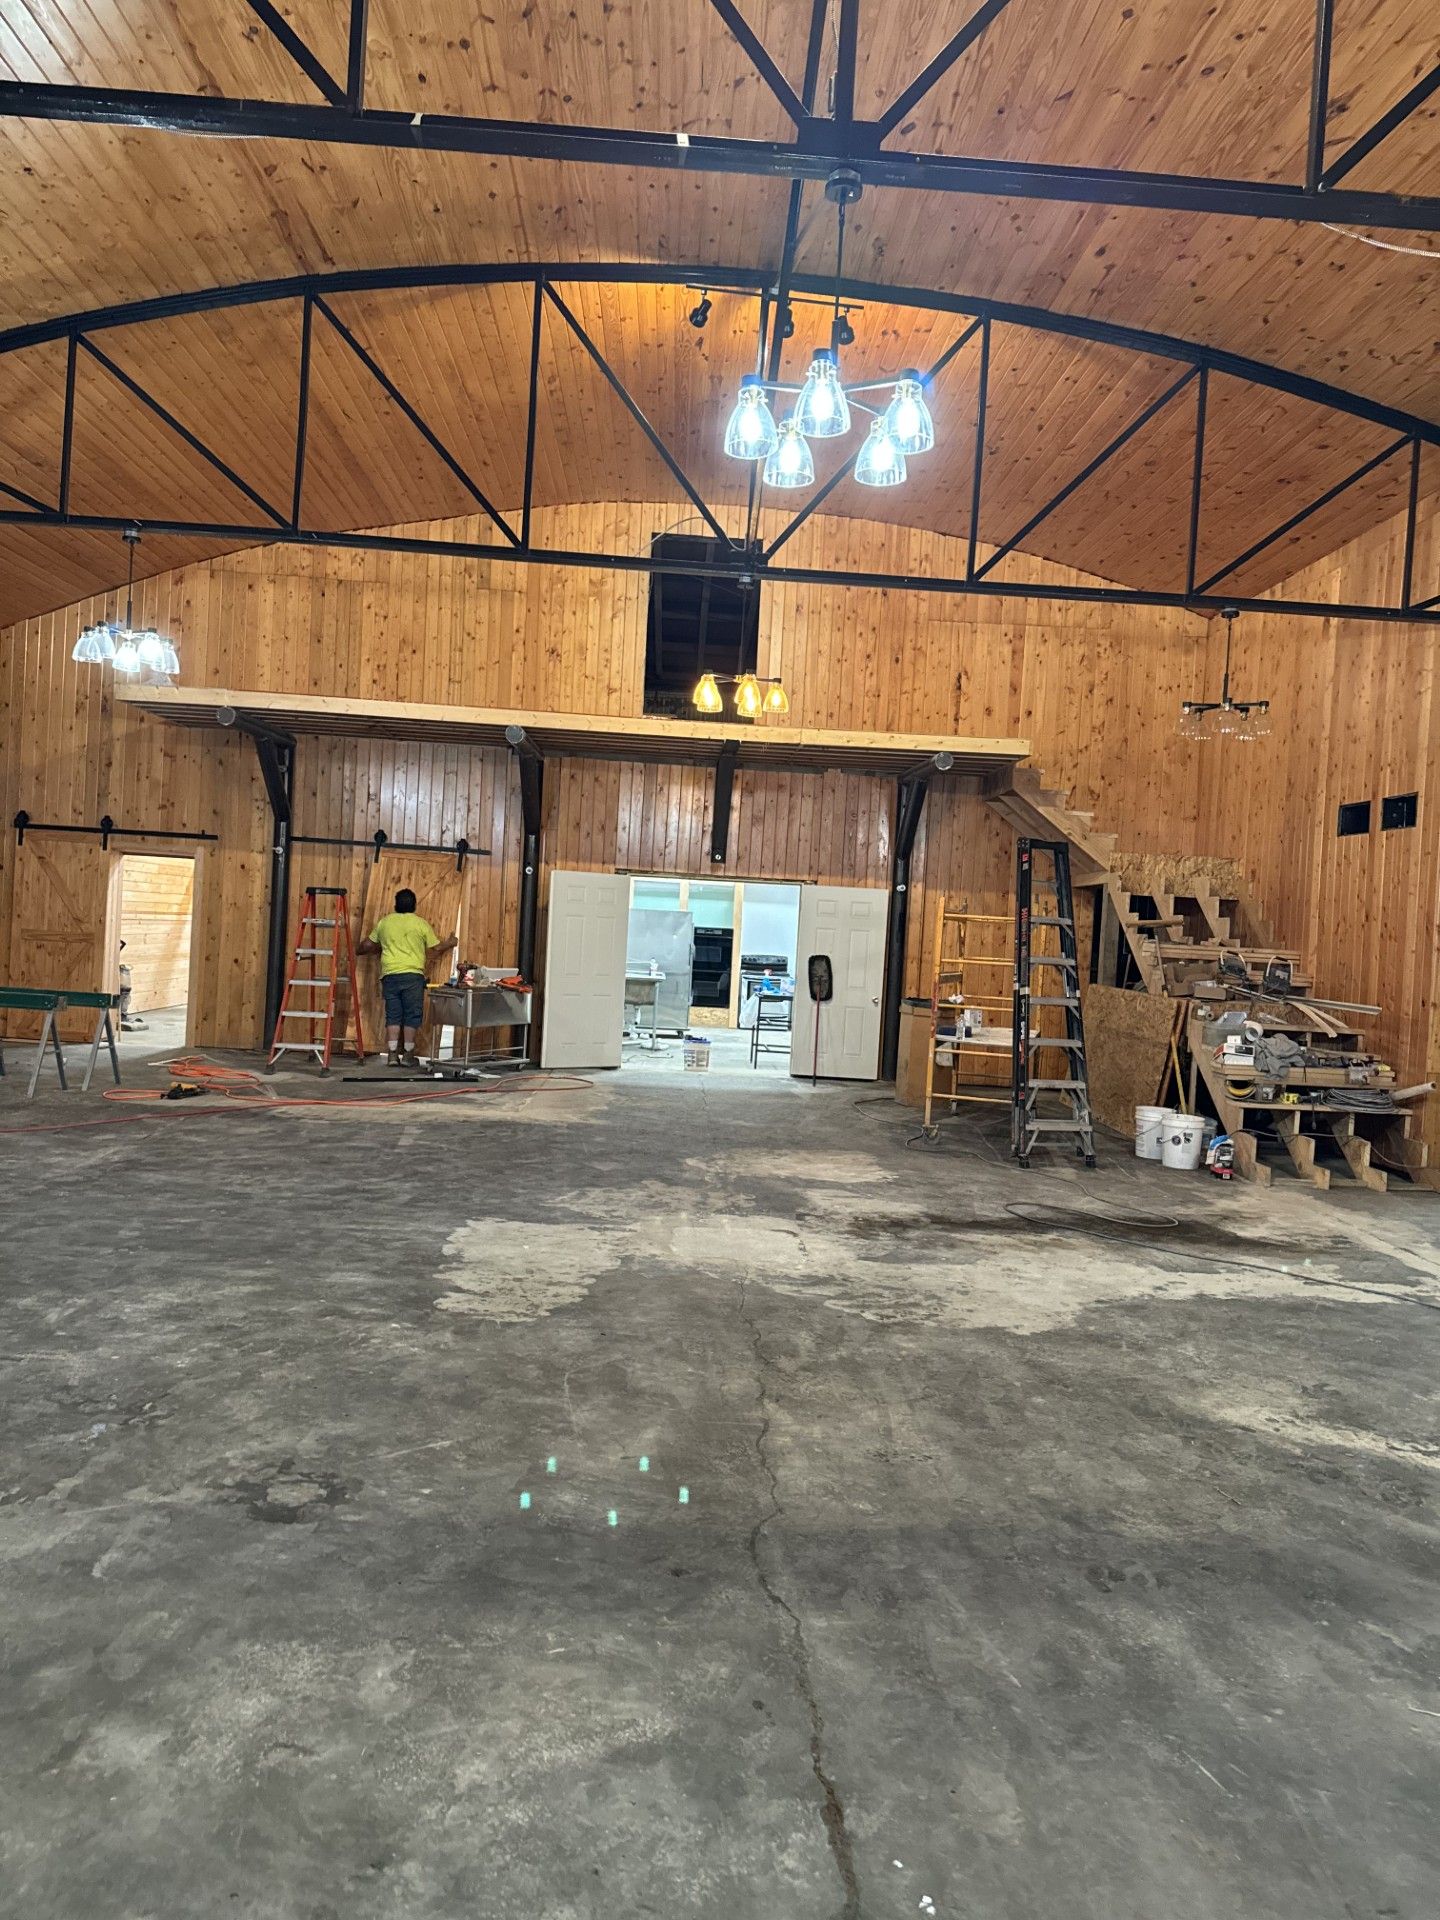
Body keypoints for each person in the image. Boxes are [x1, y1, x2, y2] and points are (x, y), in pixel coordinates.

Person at [357, 888, 457, 1069]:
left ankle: (392, 1055)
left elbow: (367, 945)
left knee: (393, 1015)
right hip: (413, 976)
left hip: (390, 976)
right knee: (412, 1015)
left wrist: (357, 951)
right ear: (414, 906)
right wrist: (450, 943)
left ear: (396, 904)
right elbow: (435, 948)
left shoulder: (385, 923)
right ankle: (408, 1055)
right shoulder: (420, 924)